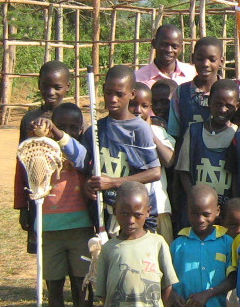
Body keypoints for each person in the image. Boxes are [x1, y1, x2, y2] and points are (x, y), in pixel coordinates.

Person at [93, 182, 179, 307]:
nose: (130, 220)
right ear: (115, 211)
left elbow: (168, 285)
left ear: (148, 212)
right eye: (123, 214)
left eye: (137, 215)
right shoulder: (109, 249)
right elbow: (104, 292)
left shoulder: (157, 243)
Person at [29, 105, 96, 307]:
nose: (66, 131)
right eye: (60, 125)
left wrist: (58, 132)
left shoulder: (82, 150)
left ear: (80, 129)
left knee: (82, 282)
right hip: (48, 227)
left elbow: (79, 158)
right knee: (53, 283)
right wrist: (40, 134)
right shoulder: (40, 150)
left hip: (79, 226)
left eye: (72, 127)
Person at [83, 65, 161, 233]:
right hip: (105, 213)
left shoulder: (139, 129)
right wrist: (89, 185)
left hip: (136, 217)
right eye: (108, 93)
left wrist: (113, 182)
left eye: (120, 94)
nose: (112, 99)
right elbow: (87, 169)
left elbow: (154, 172)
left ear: (132, 94)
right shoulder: (96, 130)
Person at [169, 185, 235, 307]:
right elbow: (166, 279)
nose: (200, 220)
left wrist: (208, 294)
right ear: (187, 212)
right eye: (194, 213)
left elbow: (233, 278)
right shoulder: (178, 244)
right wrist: (173, 296)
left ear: (217, 211)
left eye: (206, 214)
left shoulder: (227, 242)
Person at [14, 60, 72, 254]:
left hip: (70, 197)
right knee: (45, 255)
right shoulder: (29, 121)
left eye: (57, 87)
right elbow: (21, 164)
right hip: (38, 196)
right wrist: (22, 206)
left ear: (68, 87)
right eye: (45, 86)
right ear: (38, 85)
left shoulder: (73, 118)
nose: (51, 92)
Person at [174, 79, 239, 210]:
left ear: (236, 107)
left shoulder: (239, 135)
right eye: (217, 104)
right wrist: (194, 198)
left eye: (229, 106)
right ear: (209, 102)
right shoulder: (194, 131)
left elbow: (239, 177)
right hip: (195, 209)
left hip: (226, 210)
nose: (222, 109)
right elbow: (184, 172)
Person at [132, 82, 175, 242]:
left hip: (159, 209)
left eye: (144, 106)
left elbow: (169, 160)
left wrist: (148, 133)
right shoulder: (119, 133)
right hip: (130, 210)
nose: (138, 111)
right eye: (132, 105)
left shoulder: (158, 131)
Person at [167, 36, 224, 140]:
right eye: (200, 59)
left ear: (221, 61)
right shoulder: (181, 92)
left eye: (212, 59)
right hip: (188, 154)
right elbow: (174, 133)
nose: (205, 64)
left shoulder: (231, 92)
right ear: (193, 59)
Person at [135, 23, 196, 90]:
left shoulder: (192, 74)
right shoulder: (138, 78)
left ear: (181, 48)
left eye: (174, 47)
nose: (169, 50)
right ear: (154, 43)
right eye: (164, 45)